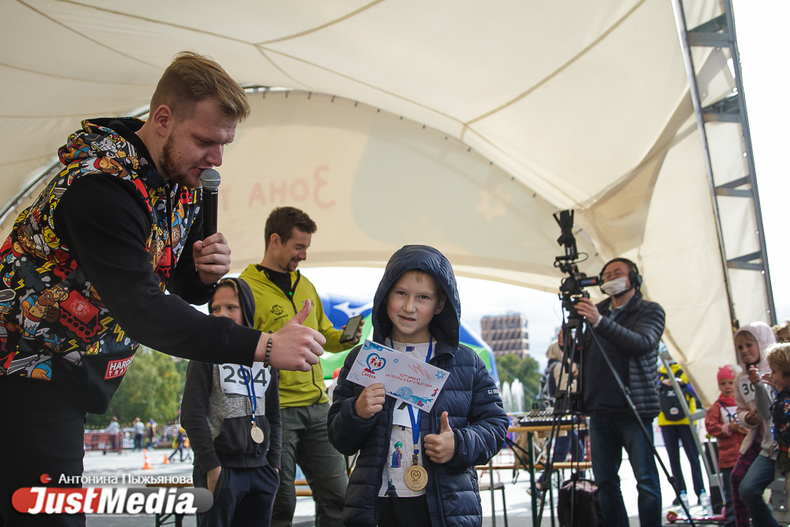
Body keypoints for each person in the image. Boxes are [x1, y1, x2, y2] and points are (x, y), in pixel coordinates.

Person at [0, 51, 327, 527]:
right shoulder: (100, 187)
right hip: (23, 368)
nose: (216, 160)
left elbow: (172, 281)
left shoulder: (179, 181)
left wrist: (200, 276)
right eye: (205, 141)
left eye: (225, 144)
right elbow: (144, 310)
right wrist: (265, 345)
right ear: (162, 119)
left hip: (64, 373)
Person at [327, 245, 509, 527]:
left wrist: (458, 444)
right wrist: (357, 412)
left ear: (440, 304)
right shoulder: (361, 359)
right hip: (376, 506)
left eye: (423, 297)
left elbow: (496, 426)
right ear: (385, 294)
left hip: (446, 507)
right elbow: (339, 439)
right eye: (400, 293)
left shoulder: (466, 361)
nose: (409, 306)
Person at [239, 207, 362, 527]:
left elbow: (323, 335)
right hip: (274, 412)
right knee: (279, 503)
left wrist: (346, 338)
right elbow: (238, 348)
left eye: (306, 247)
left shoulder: (306, 285)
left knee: (339, 496)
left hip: (319, 409)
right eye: (298, 247)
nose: (304, 255)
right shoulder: (245, 289)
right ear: (274, 240)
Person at [182, 277, 281, 527]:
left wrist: (274, 467)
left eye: (230, 307)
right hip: (220, 470)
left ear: (246, 309)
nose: (221, 315)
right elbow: (192, 415)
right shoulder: (203, 355)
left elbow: (274, 415)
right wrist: (212, 468)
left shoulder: (266, 357)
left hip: (261, 470)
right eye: (215, 309)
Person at [574, 257, 665, 527]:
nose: (611, 277)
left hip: (632, 408)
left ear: (633, 278)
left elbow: (642, 343)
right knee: (605, 482)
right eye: (607, 274)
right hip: (599, 410)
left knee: (646, 481)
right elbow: (585, 357)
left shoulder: (649, 311)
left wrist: (599, 321)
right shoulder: (597, 311)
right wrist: (571, 345)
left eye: (618, 273)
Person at [730, 322, 777, 527]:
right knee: (738, 479)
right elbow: (740, 408)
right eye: (740, 347)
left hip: (780, 442)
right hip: (760, 443)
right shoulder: (741, 379)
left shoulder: (778, 373)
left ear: (763, 344)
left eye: (749, 345)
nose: (744, 351)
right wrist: (747, 418)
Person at [657, 361, 706, 504]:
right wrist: (662, 384)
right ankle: (680, 492)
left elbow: (698, 393)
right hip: (666, 421)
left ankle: (700, 491)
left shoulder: (685, 370)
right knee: (673, 459)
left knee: (693, 457)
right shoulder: (659, 374)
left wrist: (683, 384)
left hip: (687, 420)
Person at [705, 365, 746, 527]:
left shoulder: (744, 403)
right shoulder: (717, 407)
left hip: (745, 455)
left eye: (731, 382)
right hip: (728, 459)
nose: (727, 387)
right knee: (731, 494)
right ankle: (732, 522)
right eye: (723, 383)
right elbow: (711, 426)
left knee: (747, 492)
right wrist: (729, 428)